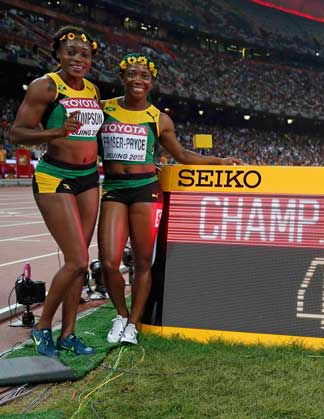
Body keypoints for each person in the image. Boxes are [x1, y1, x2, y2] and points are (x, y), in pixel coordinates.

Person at [98, 53, 243, 345]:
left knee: (142, 261)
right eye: (133, 74)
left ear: (151, 82)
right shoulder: (104, 109)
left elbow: (182, 155)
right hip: (114, 187)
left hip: (145, 190)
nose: (138, 80)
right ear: (123, 77)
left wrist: (218, 161)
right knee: (109, 262)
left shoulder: (159, 118)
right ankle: (121, 314)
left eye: (145, 76)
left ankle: (133, 325)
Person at [10, 26, 103, 356]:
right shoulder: (46, 86)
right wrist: (55, 132)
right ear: (58, 55)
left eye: (85, 54)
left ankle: (69, 334)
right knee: (77, 258)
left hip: (89, 178)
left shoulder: (92, 90)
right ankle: (42, 326)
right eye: (71, 53)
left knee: (80, 263)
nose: (78, 58)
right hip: (55, 177)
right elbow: (17, 133)